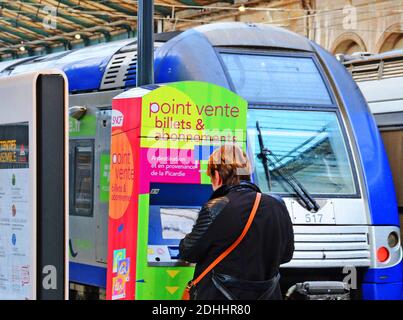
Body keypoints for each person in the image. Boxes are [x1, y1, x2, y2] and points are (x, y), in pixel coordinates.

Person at [179, 143, 294, 300]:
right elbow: (286, 255)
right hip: (266, 295)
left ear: (217, 176)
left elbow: (189, 252)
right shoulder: (277, 204)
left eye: (211, 177)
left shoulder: (217, 206)